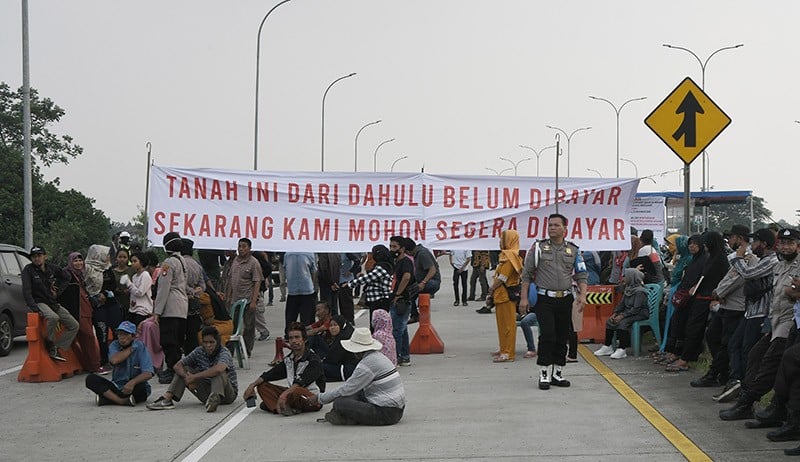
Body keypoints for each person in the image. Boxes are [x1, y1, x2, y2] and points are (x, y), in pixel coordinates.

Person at [720, 228, 800, 421]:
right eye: (783, 243)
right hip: (775, 320)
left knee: (771, 362)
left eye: (791, 243)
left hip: (790, 321)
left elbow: (792, 293)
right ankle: (748, 401)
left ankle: (753, 403)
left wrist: (793, 292)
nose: (786, 247)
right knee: (755, 355)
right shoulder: (779, 266)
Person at [519, 214, 588, 390]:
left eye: (556, 225)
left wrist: (583, 295)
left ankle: (558, 372)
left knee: (562, 335)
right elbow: (527, 274)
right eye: (550, 225)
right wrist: (524, 298)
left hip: (565, 299)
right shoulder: (539, 248)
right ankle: (544, 372)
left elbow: (581, 274)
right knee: (548, 335)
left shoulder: (573, 250)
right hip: (544, 299)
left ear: (565, 229)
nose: (552, 228)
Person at [718, 228, 778, 403]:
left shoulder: (771, 261)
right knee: (734, 344)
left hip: (761, 312)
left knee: (748, 350)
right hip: (750, 311)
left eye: (756, 242)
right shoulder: (762, 260)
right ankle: (737, 380)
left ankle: (746, 387)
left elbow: (748, 274)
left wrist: (738, 257)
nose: (752, 245)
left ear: (764, 244)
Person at [691, 225, 751, 388]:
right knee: (713, 336)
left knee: (727, 343)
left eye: (731, 237)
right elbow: (728, 277)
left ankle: (718, 374)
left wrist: (719, 292)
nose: (729, 241)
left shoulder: (748, 257)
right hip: (727, 304)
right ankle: (721, 372)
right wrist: (719, 291)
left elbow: (738, 278)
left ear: (739, 239)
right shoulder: (735, 256)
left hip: (736, 306)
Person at [309, 327, 406, 426]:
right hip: (397, 408)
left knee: (340, 402)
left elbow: (346, 389)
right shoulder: (378, 356)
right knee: (354, 393)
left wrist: (320, 398)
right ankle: (345, 416)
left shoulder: (367, 364)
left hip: (386, 413)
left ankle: (346, 418)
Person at [664, 232, 729, 372]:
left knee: (695, 329)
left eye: (704, 242)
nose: (703, 245)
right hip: (699, 297)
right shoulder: (710, 257)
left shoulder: (719, 259)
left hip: (707, 299)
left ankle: (686, 359)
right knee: (689, 327)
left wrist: (716, 298)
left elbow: (721, 281)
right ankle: (683, 356)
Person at [146, 326, 238, 412]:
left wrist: (195, 377)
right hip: (206, 390)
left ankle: (215, 398)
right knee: (185, 369)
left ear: (217, 342)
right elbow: (177, 366)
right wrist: (187, 378)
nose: (208, 345)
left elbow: (219, 369)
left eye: (211, 342)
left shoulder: (224, 352)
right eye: (205, 342)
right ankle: (167, 399)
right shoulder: (199, 351)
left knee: (217, 372)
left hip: (227, 394)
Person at [241, 322, 324, 416]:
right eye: (291, 338)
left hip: (312, 398)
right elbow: (271, 374)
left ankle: (277, 404)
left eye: (297, 337)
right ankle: (281, 408)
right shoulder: (289, 359)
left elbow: (299, 383)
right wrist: (252, 385)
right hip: (292, 395)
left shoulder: (313, 360)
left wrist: (283, 395)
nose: (293, 341)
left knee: (295, 391)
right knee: (262, 386)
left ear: (304, 339)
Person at [21, 245, 79, 361]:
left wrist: (58, 290)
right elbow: (26, 291)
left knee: (74, 325)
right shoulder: (28, 270)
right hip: (39, 301)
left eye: (39, 256)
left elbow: (66, 277)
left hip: (52, 302)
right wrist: (34, 308)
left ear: (44, 256)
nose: (37, 258)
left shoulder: (51, 268)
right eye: (34, 256)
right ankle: (50, 344)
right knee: (53, 317)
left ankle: (58, 347)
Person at [85, 321, 155, 406]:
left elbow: (148, 373)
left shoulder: (140, 346)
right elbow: (114, 360)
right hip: (117, 385)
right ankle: (121, 401)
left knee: (141, 389)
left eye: (125, 334)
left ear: (133, 336)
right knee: (91, 379)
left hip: (134, 386)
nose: (122, 337)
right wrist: (131, 349)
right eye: (120, 334)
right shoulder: (114, 345)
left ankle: (108, 399)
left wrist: (132, 382)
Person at [153, 232, 189, 384]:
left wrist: (157, 312)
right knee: (177, 341)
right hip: (182, 306)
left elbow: (163, 289)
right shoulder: (182, 260)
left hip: (170, 307)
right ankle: (177, 368)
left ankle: (171, 370)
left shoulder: (168, 263)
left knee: (169, 341)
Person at [58, 252, 103, 373]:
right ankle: (94, 366)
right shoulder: (68, 275)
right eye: (75, 261)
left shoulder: (80, 275)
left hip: (84, 309)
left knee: (85, 338)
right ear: (70, 262)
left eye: (80, 260)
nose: (78, 263)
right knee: (88, 337)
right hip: (78, 310)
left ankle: (88, 365)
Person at [594, 268, 649, 360]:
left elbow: (636, 308)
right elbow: (621, 304)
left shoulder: (640, 292)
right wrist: (615, 313)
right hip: (628, 312)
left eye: (625, 276)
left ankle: (622, 349)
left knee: (623, 323)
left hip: (639, 313)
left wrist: (622, 316)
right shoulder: (628, 289)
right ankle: (608, 346)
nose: (623, 278)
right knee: (610, 322)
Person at [487, 229, 523, 363]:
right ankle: (503, 348)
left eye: (503, 238)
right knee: (501, 325)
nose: (500, 241)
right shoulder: (505, 256)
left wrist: (491, 288)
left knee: (508, 325)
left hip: (506, 296)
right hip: (500, 296)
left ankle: (508, 353)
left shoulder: (510, 257)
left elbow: (502, 277)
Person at [223, 238, 264, 355]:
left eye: (244, 246)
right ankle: (229, 351)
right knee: (232, 326)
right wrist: (228, 296)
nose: (241, 249)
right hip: (234, 300)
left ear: (249, 248)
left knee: (249, 326)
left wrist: (253, 301)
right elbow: (231, 280)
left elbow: (257, 282)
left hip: (247, 300)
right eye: (239, 246)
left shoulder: (253, 263)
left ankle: (246, 350)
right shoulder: (235, 261)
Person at [345, 244, 393, 326]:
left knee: (376, 326)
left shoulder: (383, 266)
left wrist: (350, 284)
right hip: (378, 300)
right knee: (376, 324)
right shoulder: (384, 265)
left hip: (379, 300)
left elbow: (369, 277)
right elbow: (373, 277)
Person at [389, 236, 415, 366]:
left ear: (402, 249)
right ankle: (405, 356)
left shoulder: (405, 262)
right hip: (398, 299)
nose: (392, 249)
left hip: (401, 301)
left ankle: (396, 357)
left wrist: (398, 294)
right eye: (391, 246)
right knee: (402, 329)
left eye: (394, 247)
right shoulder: (397, 261)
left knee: (397, 330)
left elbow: (406, 277)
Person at [317, 252, 360, 323]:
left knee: (346, 302)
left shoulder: (346, 252)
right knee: (335, 304)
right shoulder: (334, 253)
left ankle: (349, 320)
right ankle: (338, 321)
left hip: (344, 281)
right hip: (335, 281)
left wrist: (351, 271)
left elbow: (357, 261)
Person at [181, 238, 207, 355]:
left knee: (182, 334)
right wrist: (195, 292)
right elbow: (203, 286)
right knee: (193, 334)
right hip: (195, 304)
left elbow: (180, 284)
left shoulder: (180, 263)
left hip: (181, 302)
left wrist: (189, 292)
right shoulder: (197, 264)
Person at [406, 238, 441, 324]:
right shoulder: (418, 253)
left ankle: (415, 315)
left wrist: (423, 282)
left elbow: (432, 270)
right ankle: (415, 314)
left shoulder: (422, 254)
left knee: (409, 292)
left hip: (432, 282)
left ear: (408, 251)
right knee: (409, 292)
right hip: (425, 281)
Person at [283, 252, 317, 330]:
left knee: (294, 318)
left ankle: (294, 336)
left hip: (300, 291)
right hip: (300, 290)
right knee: (301, 319)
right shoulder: (288, 254)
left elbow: (285, 269)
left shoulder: (288, 254)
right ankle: (293, 336)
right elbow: (313, 271)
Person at [321, 315, 358, 382]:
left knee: (319, 367)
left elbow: (333, 359)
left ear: (341, 325)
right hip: (347, 367)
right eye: (330, 326)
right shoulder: (347, 331)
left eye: (335, 325)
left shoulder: (343, 339)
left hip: (346, 370)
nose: (332, 328)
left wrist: (323, 361)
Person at [125, 251, 153, 326]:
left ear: (141, 262)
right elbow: (134, 290)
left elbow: (140, 292)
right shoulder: (134, 276)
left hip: (142, 310)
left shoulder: (145, 275)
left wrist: (129, 283)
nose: (133, 263)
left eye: (135, 261)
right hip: (133, 308)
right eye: (132, 261)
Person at [110, 248, 135, 320]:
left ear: (128, 259)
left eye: (124, 257)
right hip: (115, 303)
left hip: (130, 304)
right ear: (116, 258)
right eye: (120, 257)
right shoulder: (111, 272)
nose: (122, 259)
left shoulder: (132, 270)